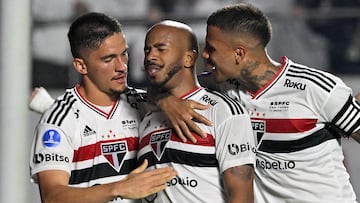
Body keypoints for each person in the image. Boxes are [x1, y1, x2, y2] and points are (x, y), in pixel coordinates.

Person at [195, 3, 359, 202]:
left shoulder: (317, 89)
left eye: (211, 49)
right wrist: (167, 100)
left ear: (239, 54)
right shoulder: (222, 86)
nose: (204, 55)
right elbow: (172, 86)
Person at [29, 12, 178, 203]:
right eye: (108, 59)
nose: (122, 66)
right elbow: (53, 197)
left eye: (124, 53)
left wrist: (167, 99)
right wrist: (120, 188)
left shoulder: (145, 104)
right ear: (81, 66)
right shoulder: (58, 120)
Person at [137, 20, 256, 203]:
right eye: (147, 50)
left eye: (161, 49)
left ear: (188, 59)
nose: (150, 56)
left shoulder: (224, 112)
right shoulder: (148, 119)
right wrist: (163, 101)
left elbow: (242, 194)